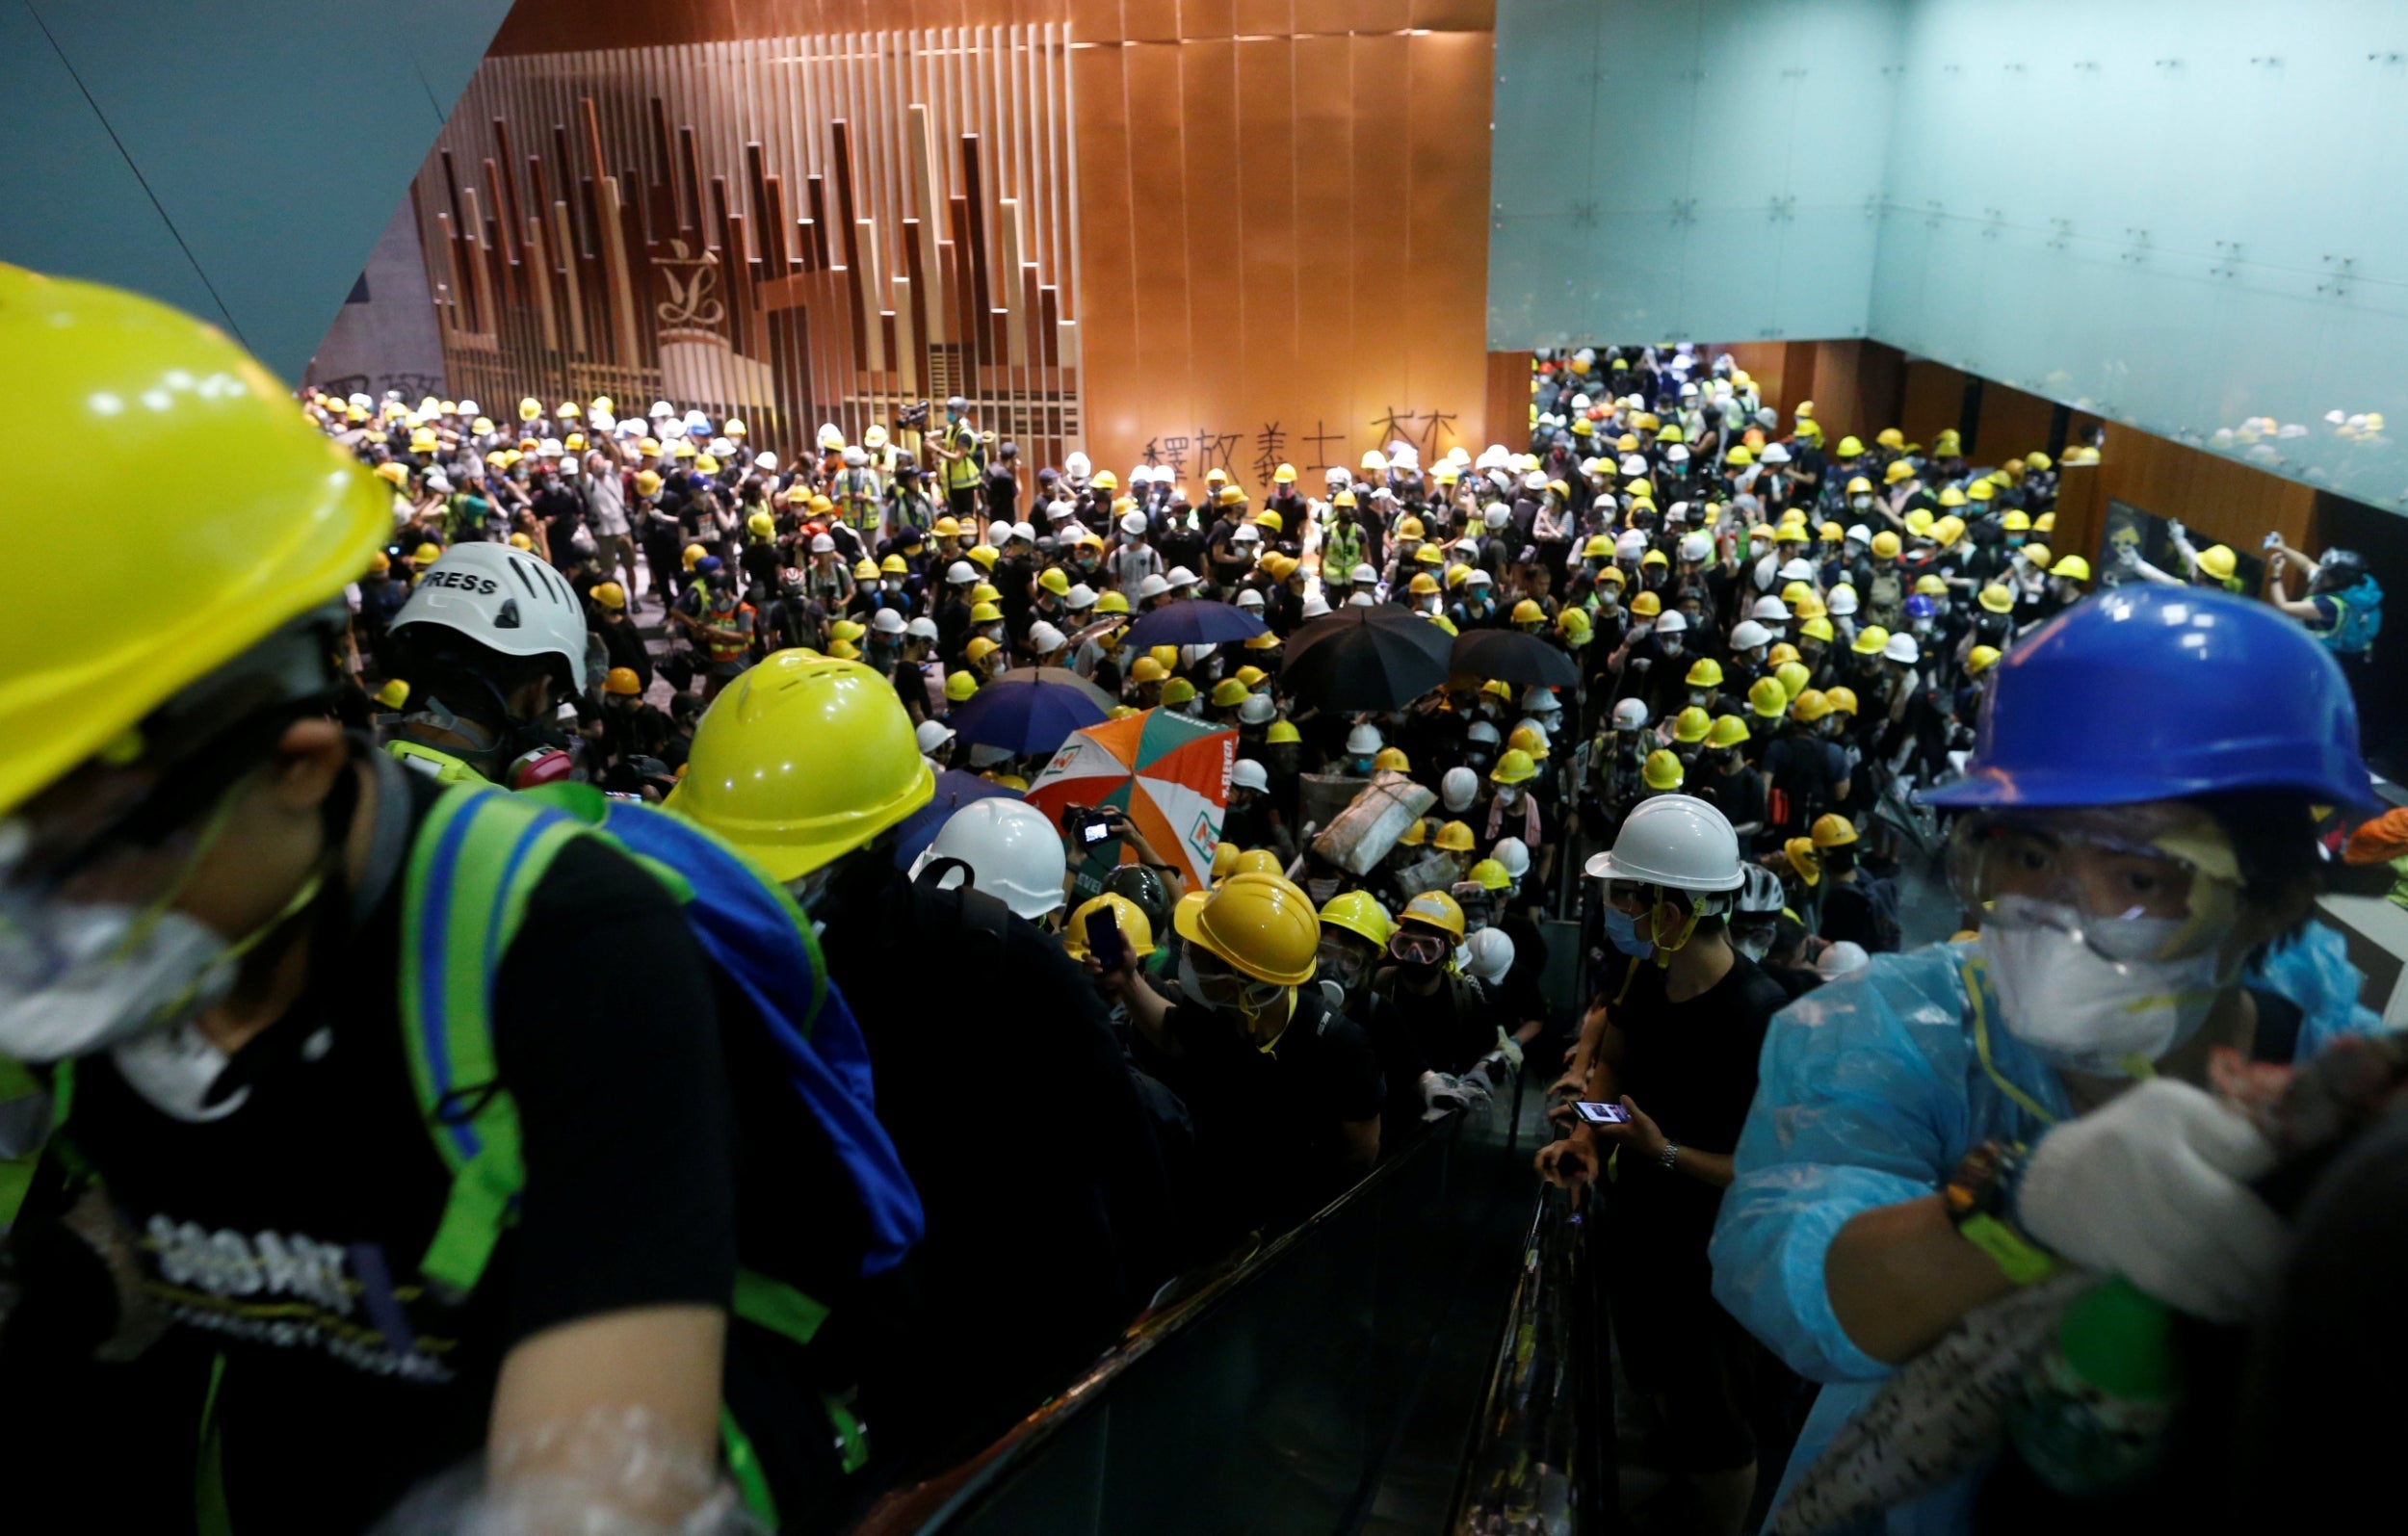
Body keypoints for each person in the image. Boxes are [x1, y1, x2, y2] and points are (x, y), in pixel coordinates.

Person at [0, 271, 769, 1534]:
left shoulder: (565, 946)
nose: (29, 938)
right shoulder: (119, 974)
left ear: (297, 764)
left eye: (60, 863)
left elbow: (603, 1485)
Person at [1710, 585, 2382, 1534]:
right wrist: (2018, 1209)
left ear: (2267, 902)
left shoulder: (2320, 1044)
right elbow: (1805, 1273)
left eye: (2140, 876)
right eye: (2024, 857)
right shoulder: (1899, 1028)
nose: (2055, 911)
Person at [668, 652, 1178, 1457]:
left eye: (778, 869)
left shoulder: (1004, 965)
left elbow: (1133, 1180)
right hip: (861, 1411)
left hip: (1004, 1402)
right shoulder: (727, 979)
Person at [1540, 794, 1796, 1536]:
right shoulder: (1646, 975)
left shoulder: (1758, 1013)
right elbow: (1614, 1063)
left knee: (1717, 1425)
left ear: (1676, 908)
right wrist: (1588, 1139)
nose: (1615, 908)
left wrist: (1667, 1153)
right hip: (1639, 1226)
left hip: (1713, 1258)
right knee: (1656, 1378)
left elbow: (1767, 1169)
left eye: (1628, 894)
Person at [1118, 873, 1383, 1243]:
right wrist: (1128, 981)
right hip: (1214, 1217)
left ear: (1235, 984)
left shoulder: (1339, 1046)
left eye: (1197, 955)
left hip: (1288, 1237)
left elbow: (1362, 1151)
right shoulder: (1218, 1010)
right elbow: (1173, 1033)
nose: (1186, 959)